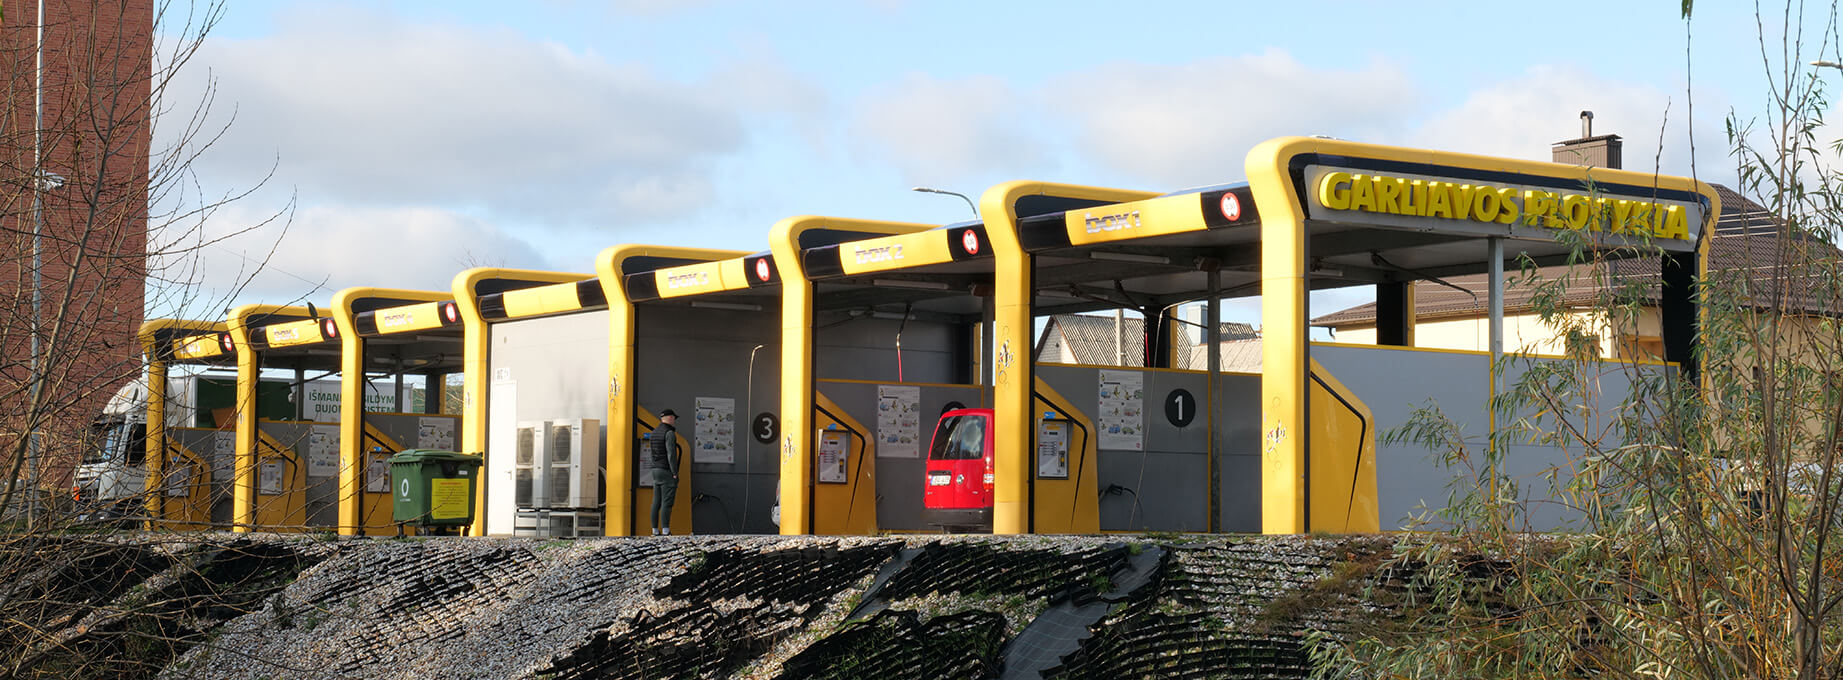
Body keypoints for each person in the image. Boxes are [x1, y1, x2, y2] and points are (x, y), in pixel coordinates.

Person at [649, 409, 681, 535]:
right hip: (666, 470)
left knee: (656, 501)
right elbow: (671, 454)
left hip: (655, 470)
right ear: (669, 418)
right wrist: (675, 472)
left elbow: (652, 453)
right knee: (667, 502)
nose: (674, 421)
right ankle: (666, 531)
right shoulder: (669, 433)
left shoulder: (654, 432)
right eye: (673, 418)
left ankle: (654, 530)